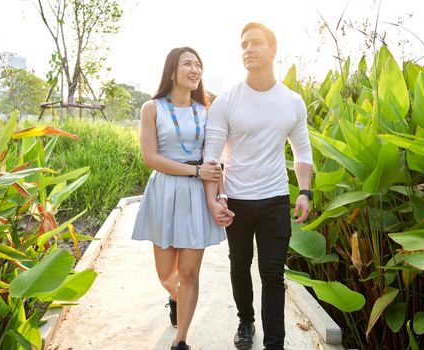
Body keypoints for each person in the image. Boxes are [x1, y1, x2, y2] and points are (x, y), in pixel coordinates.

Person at [203, 23, 314, 350]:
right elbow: (212, 156)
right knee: (239, 264)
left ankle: (275, 344)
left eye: (255, 43)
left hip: (275, 201)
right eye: (244, 45)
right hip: (236, 200)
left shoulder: (292, 102)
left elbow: (302, 150)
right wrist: (215, 199)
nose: (248, 49)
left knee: (272, 274)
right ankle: (246, 321)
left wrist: (305, 192)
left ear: (273, 50)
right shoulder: (227, 101)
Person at [132, 47, 227, 350]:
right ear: (172, 71)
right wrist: (196, 172)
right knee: (166, 273)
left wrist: (220, 195)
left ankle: (180, 340)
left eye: (198, 65)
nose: (195, 69)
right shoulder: (152, 108)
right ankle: (175, 296)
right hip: (164, 192)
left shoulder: (206, 111)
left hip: (195, 195)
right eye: (188, 64)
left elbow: (213, 160)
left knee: (189, 273)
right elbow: (150, 157)